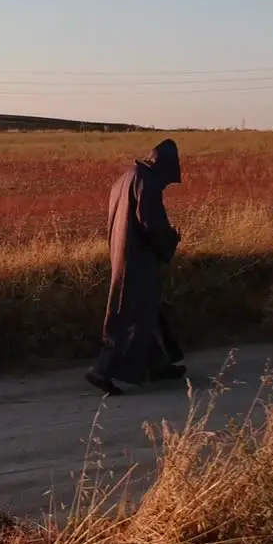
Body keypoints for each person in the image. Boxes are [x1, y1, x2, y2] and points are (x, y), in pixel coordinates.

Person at [85, 138, 187, 395]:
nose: (166, 185)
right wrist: (170, 239)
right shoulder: (147, 183)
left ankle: (158, 364)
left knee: (147, 310)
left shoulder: (127, 177)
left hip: (123, 252)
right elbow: (150, 222)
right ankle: (102, 370)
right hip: (137, 257)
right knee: (131, 315)